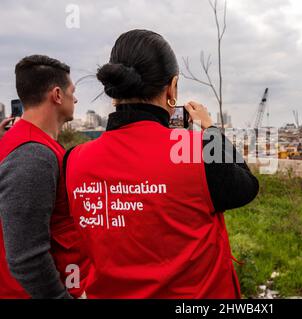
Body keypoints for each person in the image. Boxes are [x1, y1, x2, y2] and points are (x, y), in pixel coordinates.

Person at [64, 29, 259, 299]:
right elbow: (246, 187)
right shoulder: (195, 151)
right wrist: (211, 129)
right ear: (172, 88)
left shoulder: (73, 160)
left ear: (114, 92)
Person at [0, 55, 91, 299]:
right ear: (58, 95)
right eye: (73, 91)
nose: (76, 98)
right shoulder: (33, 154)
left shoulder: (27, 143)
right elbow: (26, 257)